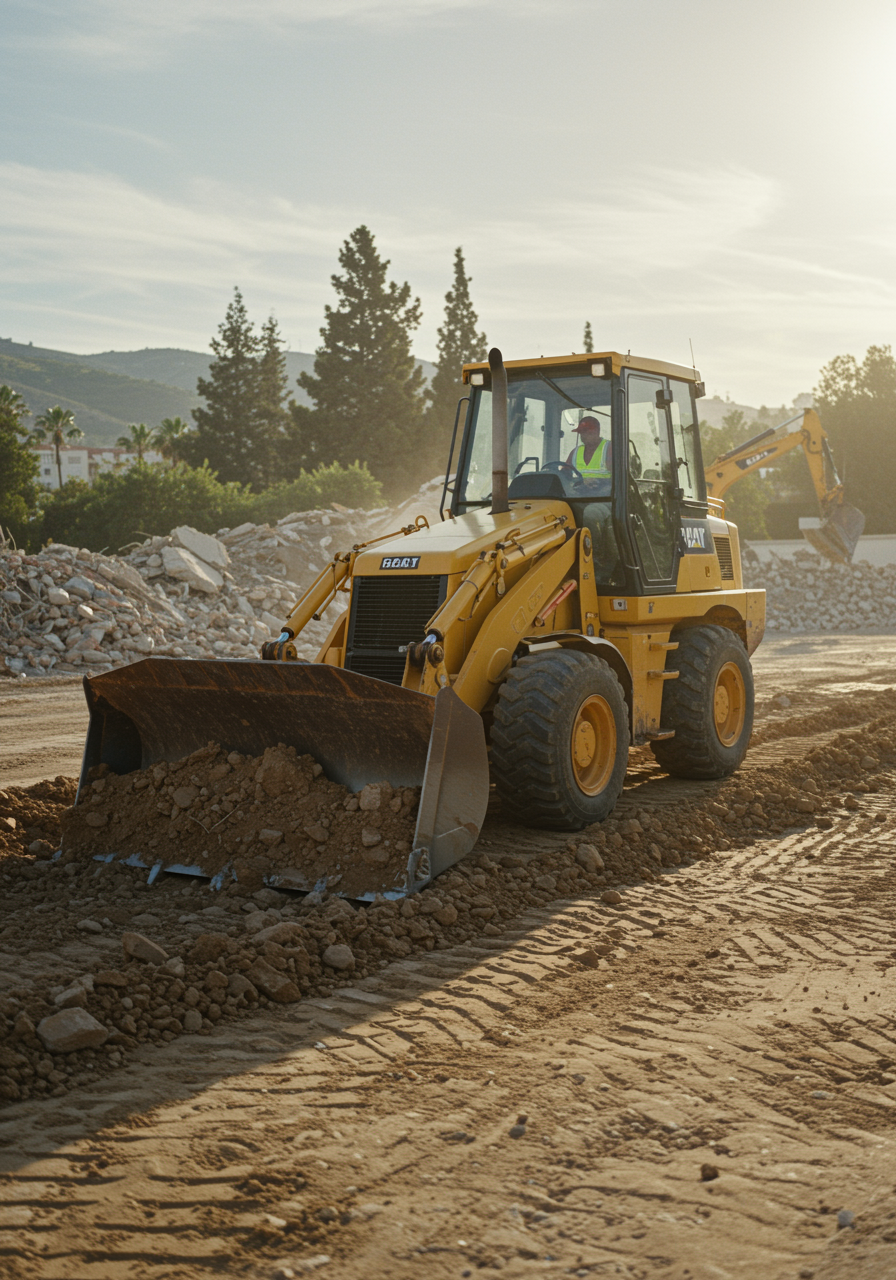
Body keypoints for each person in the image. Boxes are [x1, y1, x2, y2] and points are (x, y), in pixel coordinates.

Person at [566, 414, 611, 485]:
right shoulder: (575, 452)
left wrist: (598, 482)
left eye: (587, 432)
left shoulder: (609, 448)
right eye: (581, 432)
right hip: (579, 494)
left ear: (597, 431)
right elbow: (564, 476)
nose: (583, 436)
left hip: (605, 495)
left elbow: (619, 479)